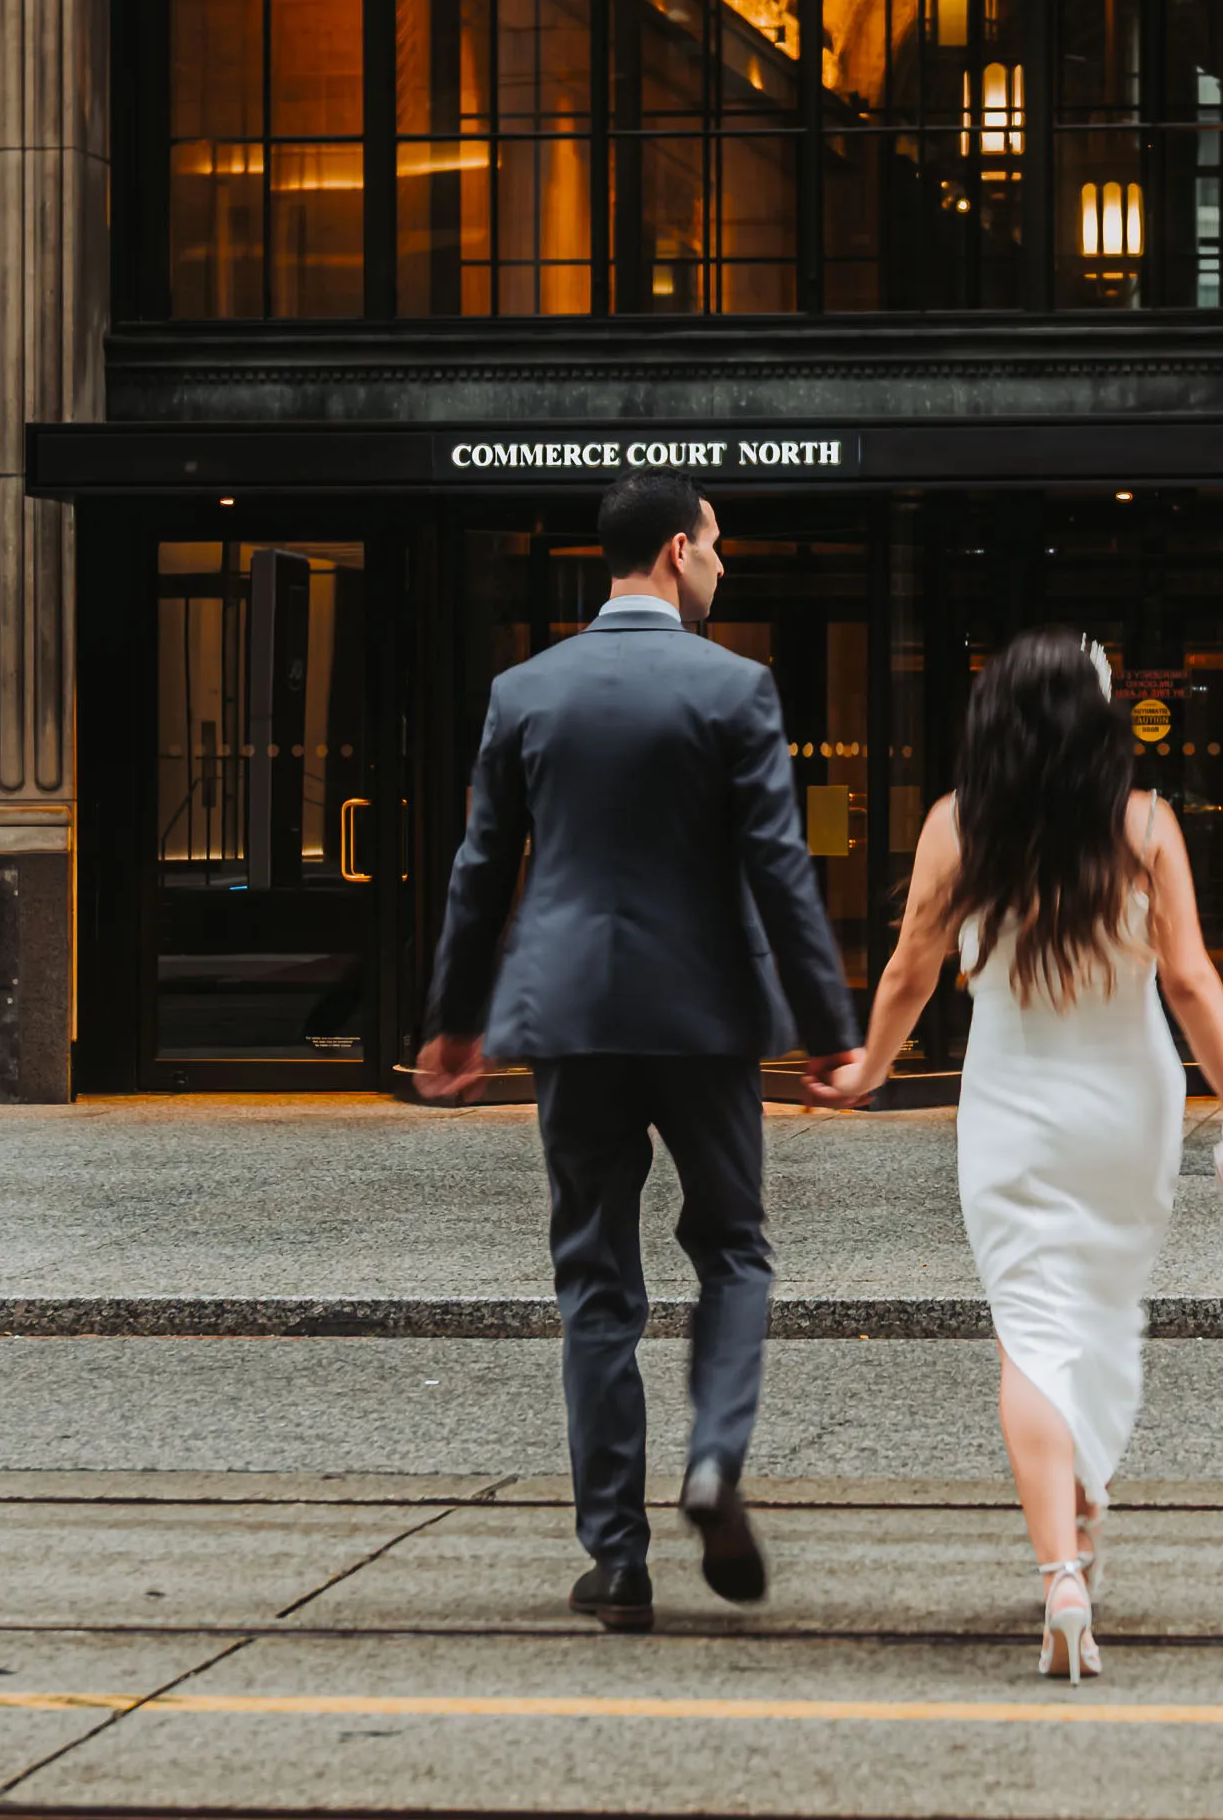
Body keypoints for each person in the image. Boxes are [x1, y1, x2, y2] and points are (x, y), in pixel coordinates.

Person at [807, 628, 1223, 1685]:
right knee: (1100, 1314)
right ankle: (1080, 1511)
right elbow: (1191, 981)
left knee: (1031, 1332)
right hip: (1129, 1109)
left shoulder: (957, 825)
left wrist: (867, 1071)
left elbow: (909, 971)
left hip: (1012, 1106)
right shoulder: (1146, 825)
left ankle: (1061, 1574)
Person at [418, 469, 859, 1635]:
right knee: (735, 1251)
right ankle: (713, 1463)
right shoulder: (735, 688)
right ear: (675, 550)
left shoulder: (526, 691)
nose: (721, 565)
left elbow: (480, 870)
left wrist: (456, 1019)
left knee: (596, 1281)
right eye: (715, 547)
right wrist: (830, 1031)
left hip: (570, 1019)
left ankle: (616, 1560)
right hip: (706, 1018)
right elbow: (779, 868)